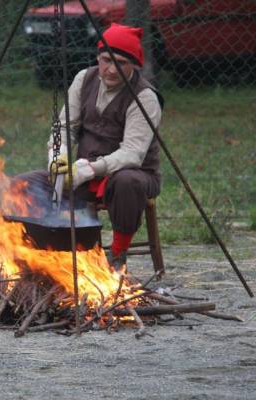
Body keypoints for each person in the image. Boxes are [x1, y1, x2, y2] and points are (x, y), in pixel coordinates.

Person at [15, 23, 164, 270]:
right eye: (106, 60)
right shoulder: (84, 79)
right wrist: (59, 157)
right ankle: (38, 254)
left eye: (121, 63)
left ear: (134, 64)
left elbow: (132, 153)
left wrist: (89, 170)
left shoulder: (145, 97)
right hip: (81, 173)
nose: (111, 69)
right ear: (98, 57)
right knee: (25, 183)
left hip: (129, 174)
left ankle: (117, 256)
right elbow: (63, 127)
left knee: (127, 182)